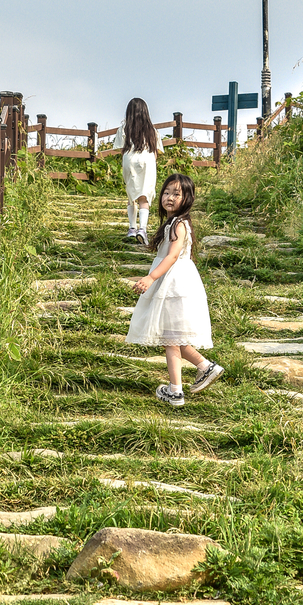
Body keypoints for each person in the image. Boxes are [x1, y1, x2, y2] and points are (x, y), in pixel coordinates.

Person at [125, 172, 224, 408]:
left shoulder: (179, 224)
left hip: (174, 283)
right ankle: (205, 367)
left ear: (187, 198)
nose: (169, 197)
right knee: (171, 336)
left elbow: (171, 256)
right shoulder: (172, 223)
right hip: (172, 281)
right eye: (166, 193)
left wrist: (151, 278)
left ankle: (176, 391)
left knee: (170, 338)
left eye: (176, 194)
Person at [115, 98, 164, 245]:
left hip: (129, 159)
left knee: (131, 195)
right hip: (147, 160)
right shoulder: (152, 130)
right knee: (144, 196)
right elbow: (157, 151)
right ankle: (142, 229)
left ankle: (131, 228)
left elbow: (120, 148)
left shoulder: (124, 129)